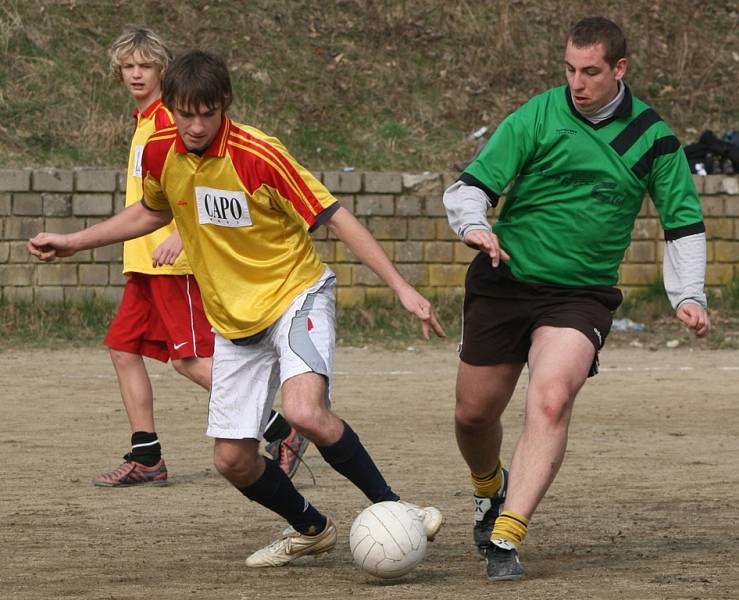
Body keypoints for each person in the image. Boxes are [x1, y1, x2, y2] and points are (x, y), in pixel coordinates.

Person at [29, 50, 445, 566]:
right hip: (233, 320)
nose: (197, 125)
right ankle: (312, 529)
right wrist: (75, 242)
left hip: (295, 294)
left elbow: (335, 216)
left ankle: (396, 508)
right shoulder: (161, 149)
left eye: (208, 112)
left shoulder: (258, 154)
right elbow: (151, 210)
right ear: (172, 107)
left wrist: (402, 288)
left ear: (224, 104)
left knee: (302, 411)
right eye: (186, 113)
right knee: (231, 459)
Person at [443, 16, 710, 581]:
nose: (577, 83)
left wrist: (689, 294)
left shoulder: (652, 138)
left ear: (620, 69)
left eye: (590, 72)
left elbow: (682, 220)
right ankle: (490, 487)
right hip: (505, 277)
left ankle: (506, 534)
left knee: (551, 398)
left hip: (580, 296)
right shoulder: (540, 114)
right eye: (569, 69)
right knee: (472, 415)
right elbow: (473, 184)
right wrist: (473, 225)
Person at [99, 28, 304, 488]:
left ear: (163, 72)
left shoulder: (174, 124)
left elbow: (196, 186)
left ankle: (282, 430)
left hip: (173, 263)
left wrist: (179, 235)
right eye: (128, 66)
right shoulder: (144, 122)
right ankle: (147, 454)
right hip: (144, 262)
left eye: (146, 66)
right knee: (123, 348)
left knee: (190, 360)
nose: (136, 73)